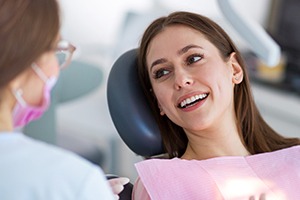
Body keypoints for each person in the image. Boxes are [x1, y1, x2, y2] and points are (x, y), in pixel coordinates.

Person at [132, 11, 300, 199]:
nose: (181, 80)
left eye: (193, 59)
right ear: (159, 103)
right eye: (162, 72)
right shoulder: (159, 184)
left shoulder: (295, 160)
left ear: (234, 69)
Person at [0, 0, 129, 199]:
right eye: (55, 50)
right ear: (16, 72)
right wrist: (85, 190)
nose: (58, 66)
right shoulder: (73, 180)